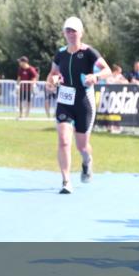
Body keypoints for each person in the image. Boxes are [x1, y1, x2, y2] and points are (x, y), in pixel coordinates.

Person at [46, 16, 110, 194]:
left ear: (80, 33)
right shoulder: (60, 54)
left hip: (83, 102)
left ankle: (86, 160)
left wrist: (95, 77)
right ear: (64, 33)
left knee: (81, 146)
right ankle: (66, 180)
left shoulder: (89, 52)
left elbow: (107, 70)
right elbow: (52, 73)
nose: (71, 34)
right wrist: (52, 81)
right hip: (65, 101)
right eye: (68, 30)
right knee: (64, 140)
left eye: (74, 30)